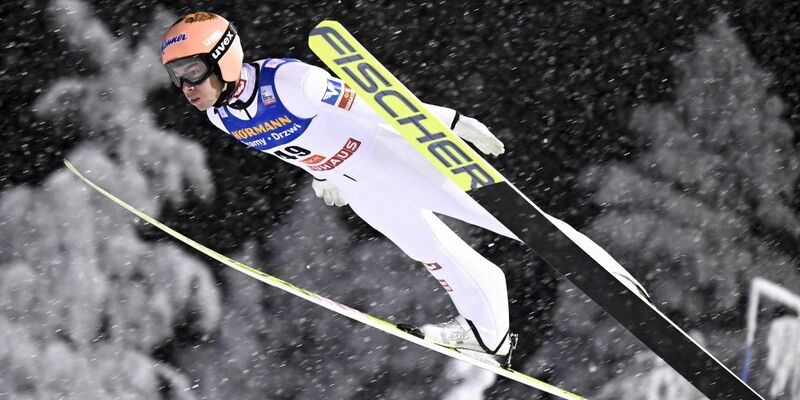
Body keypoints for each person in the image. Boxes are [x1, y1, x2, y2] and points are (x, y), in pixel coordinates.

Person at [160, 11, 649, 366]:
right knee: (433, 255)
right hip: (361, 186)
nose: (186, 86)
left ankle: (618, 283)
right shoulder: (222, 116)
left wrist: (449, 122)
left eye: (192, 71)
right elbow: (291, 144)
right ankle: (489, 334)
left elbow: (375, 106)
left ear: (223, 58)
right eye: (177, 78)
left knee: (516, 222)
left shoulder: (291, 81)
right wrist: (324, 176)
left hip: (392, 156)